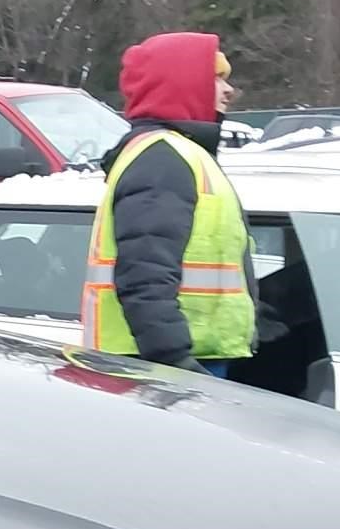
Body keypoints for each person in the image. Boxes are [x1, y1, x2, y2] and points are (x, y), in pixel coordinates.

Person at [82, 32, 257, 377]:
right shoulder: (163, 160)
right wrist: (174, 361)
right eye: (217, 78)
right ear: (183, 84)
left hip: (176, 359)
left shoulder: (177, 153)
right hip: (162, 368)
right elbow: (145, 277)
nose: (228, 91)